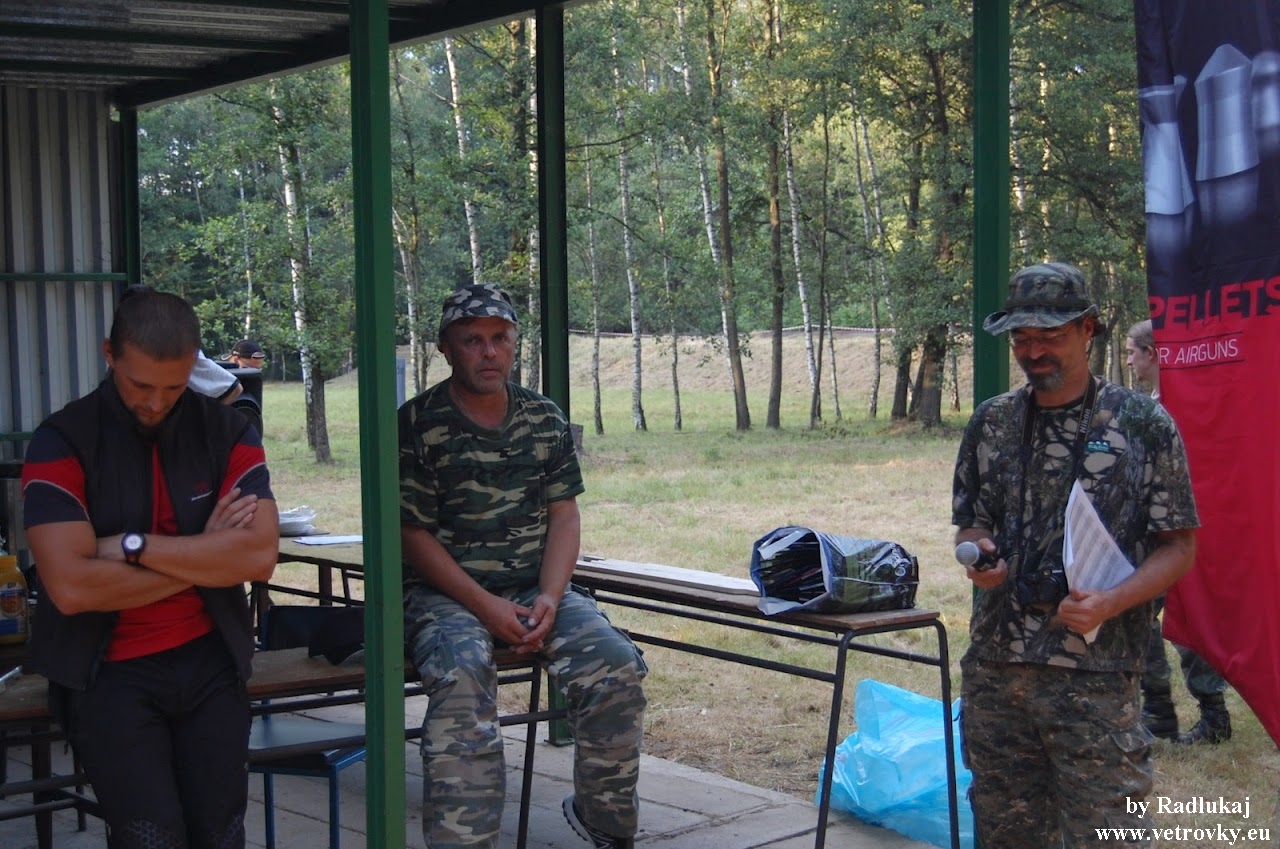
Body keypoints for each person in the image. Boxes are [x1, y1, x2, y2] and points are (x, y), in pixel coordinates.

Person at [21, 290, 279, 849]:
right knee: (151, 837)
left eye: (175, 387)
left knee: (221, 834)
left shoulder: (227, 431)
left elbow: (259, 558)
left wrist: (132, 546)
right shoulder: (62, 440)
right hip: (108, 674)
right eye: (141, 385)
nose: (157, 402)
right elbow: (71, 588)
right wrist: (207, 553)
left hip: (211, 663)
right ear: (109, 354)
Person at [953, 263, 1199, 848]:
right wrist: (979, 555)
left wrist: (1110, 601)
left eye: (1050, 336)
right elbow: (972, 520)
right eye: (1021, 338)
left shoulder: (1142, 423)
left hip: (1096, 675)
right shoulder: (992, 421)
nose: (1033, 351)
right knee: (1006, 834)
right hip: (997, 671)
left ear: (1088, 329)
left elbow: (1180, 548)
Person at [399, 283, 647, 849]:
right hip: (443, 595)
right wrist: (485, 607)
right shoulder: (418, 423)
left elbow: (564, 515)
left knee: (616, 667)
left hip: (533, 587)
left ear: (515, 343)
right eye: (472, 340)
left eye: (500, 338)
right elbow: (411, 535)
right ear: (446, 348)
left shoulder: (542, 417)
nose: (488, 352)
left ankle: (605, 825)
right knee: (462, 678)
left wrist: (551, 597)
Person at [1126, 319, 1232, 744]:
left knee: (1179, 616)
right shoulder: (1153, 404)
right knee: (1149, 613)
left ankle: (1201, 712)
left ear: (1152, 353)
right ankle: (1166, 709)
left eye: (1132, 352)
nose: (1129, 360)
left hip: (1182, 529)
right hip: (1158, 526)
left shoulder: (1181, 406)